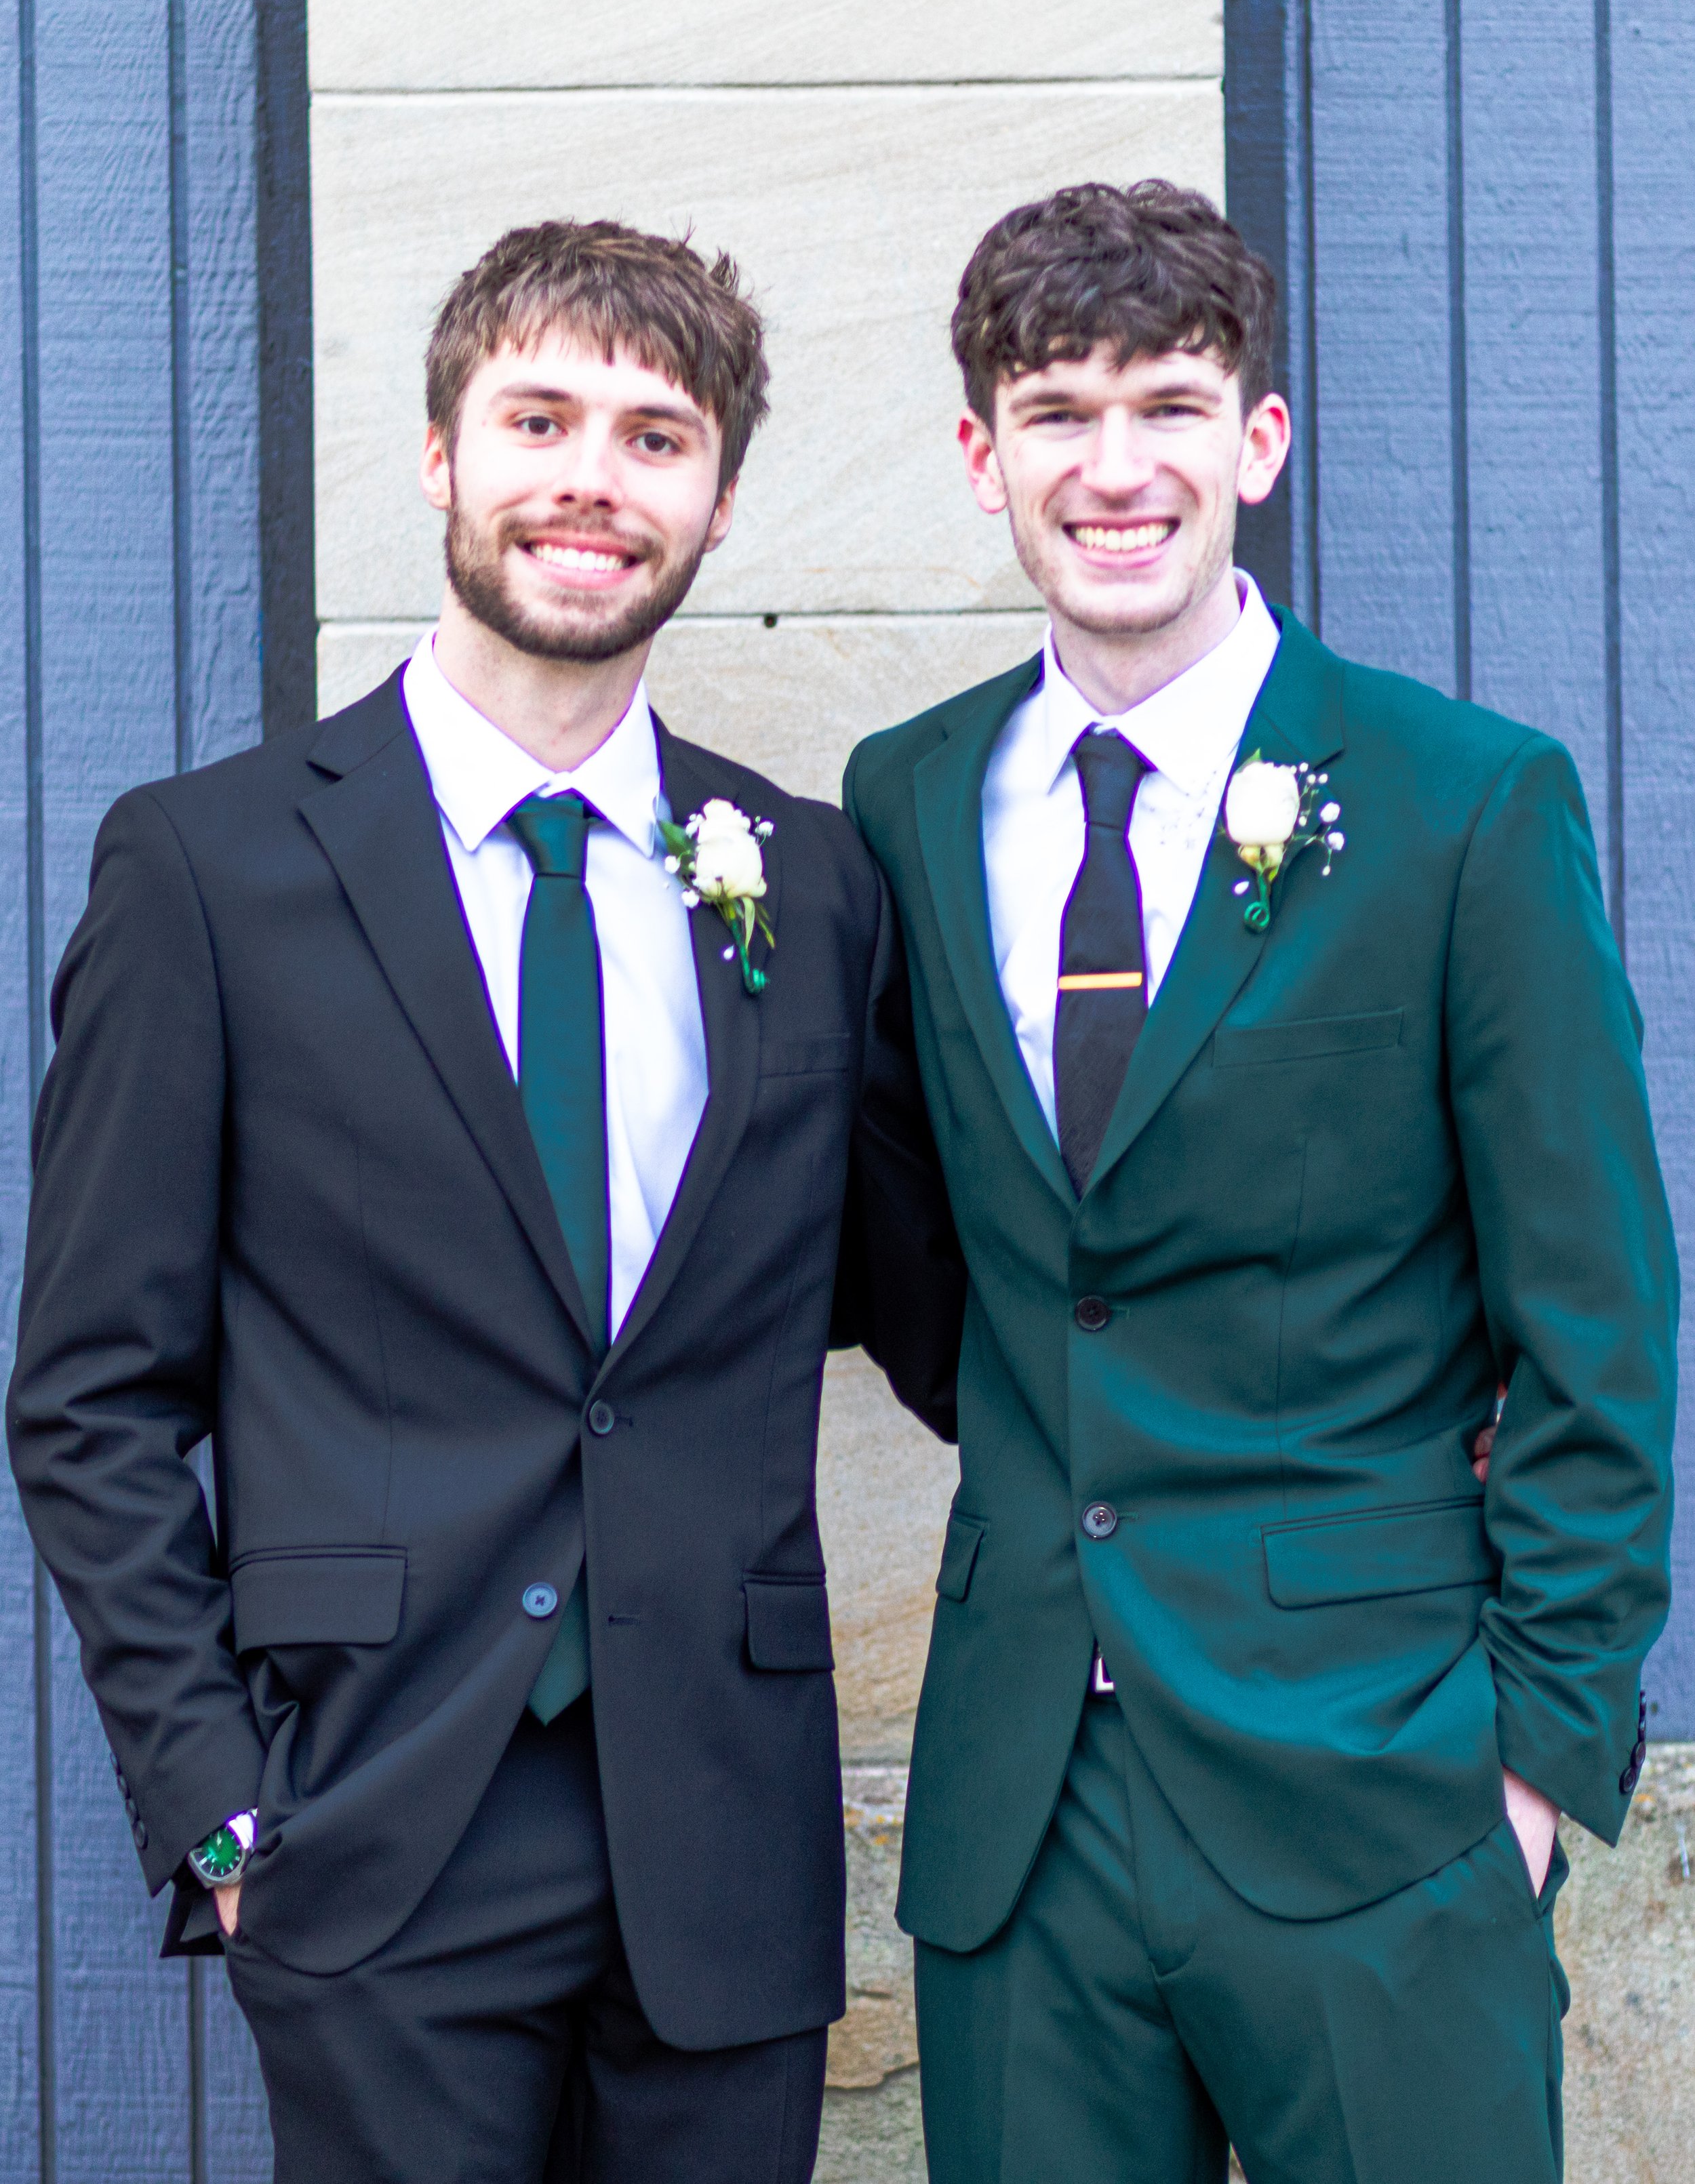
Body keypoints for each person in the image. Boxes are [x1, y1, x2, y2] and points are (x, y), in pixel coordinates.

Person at [8, 219, 963, 2184]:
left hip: (723, 1835)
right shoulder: (206, 870)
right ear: (441, 453)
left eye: (655, 438)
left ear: (716, 502)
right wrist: (221, 1809)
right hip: (373, 1826)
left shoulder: (808, 880)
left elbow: (946, 1313)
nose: (592, 481)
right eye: (539, 420)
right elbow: (91, 1394)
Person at [843, 179, 1676, 2184]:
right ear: (981, 455)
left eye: (1170, 405)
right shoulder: (905, 800)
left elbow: (1596, 1317)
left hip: (1383, 1786)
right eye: (1057, 412)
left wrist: (1533, 1762)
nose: (1115, 467)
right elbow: (946, 1266)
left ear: (1260, 440)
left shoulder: (1463, 799)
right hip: (1024, 1808)